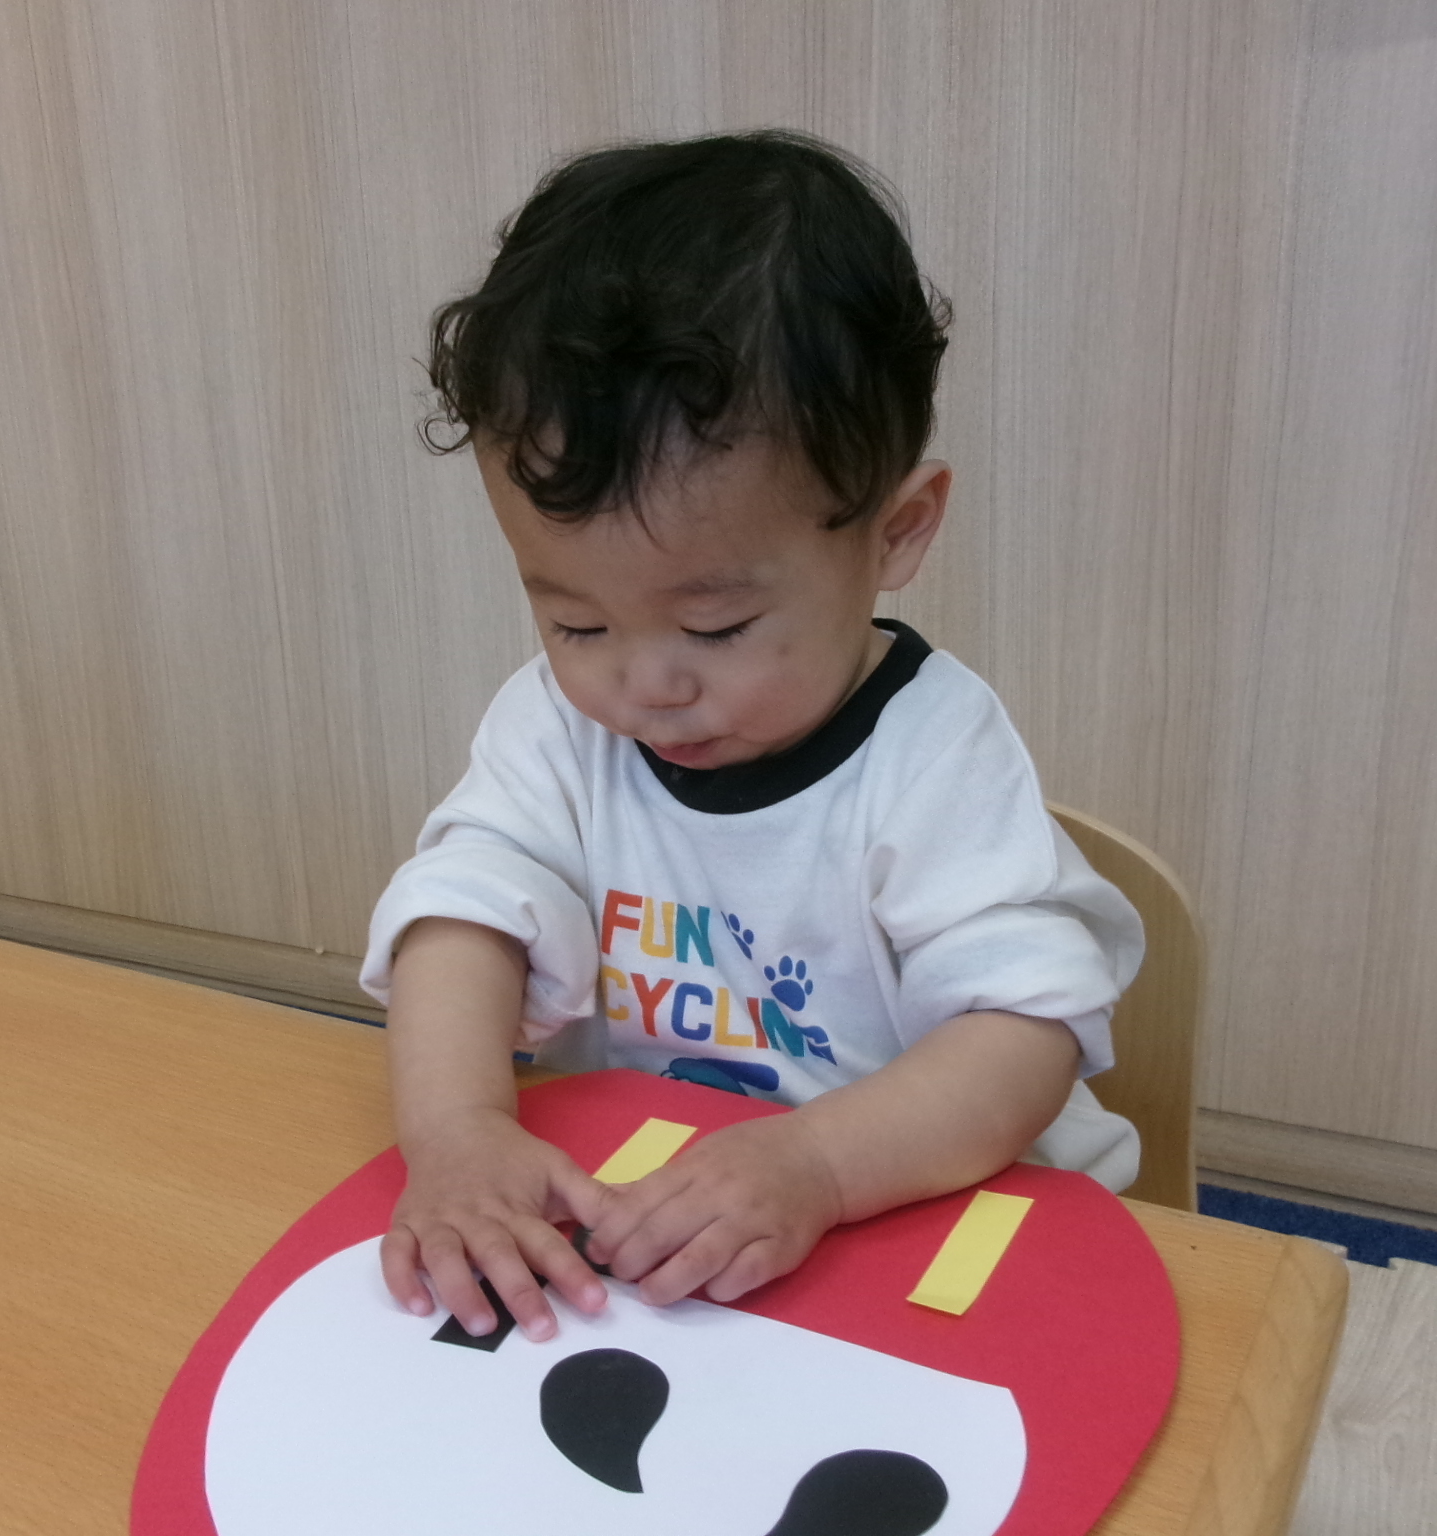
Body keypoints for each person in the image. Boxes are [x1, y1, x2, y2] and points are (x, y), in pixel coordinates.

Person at [359, 130, 1143, 1345]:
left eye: (715, 627)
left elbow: (1022, 1035)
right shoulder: (558, 728)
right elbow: (460, 918)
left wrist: (815, 1166)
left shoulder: (932, 756)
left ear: (894, 532)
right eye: (575, 622)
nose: (644, 687)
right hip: (663, 1219)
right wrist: (457, 1132)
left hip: (923, 1210)